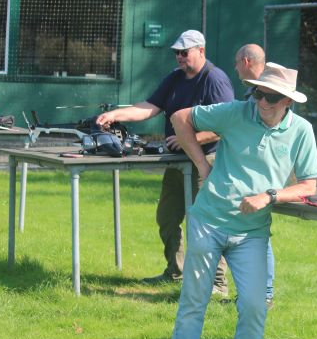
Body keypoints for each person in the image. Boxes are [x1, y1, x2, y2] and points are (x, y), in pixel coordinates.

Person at [167, 62, 317, 339]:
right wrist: (202, 165)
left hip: (252, 233)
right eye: (257, 93)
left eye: (271, 97)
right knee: (194, 302)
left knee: (254, 305)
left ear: (288, 101)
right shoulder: (235, 112)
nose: (262, 102)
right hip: (208, 221)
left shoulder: (301, 131)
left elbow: (308, 185)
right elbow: (180, 118)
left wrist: (270, 196)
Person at [96, 30, 233, 294]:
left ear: (201, 51)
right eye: (176, 53)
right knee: (167, 217)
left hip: (207, 161)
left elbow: (226, 124)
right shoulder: (174, 77)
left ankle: (217, 284)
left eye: (184, 52)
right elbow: (149, 107)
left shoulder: (215, 79)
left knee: (206, 224)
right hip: (177, 161)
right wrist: (115, 115)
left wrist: (190, 139)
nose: (179, 57)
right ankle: (175, 273)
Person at [234, 44, 276, 307]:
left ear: (246, 61)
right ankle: (253, 292)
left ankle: (266, 293)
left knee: (259, 233)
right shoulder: (254, 90)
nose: (235, 68)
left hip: (265, 171)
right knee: (251, 231)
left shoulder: (271, 87)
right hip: (249, 168)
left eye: (237, 62)